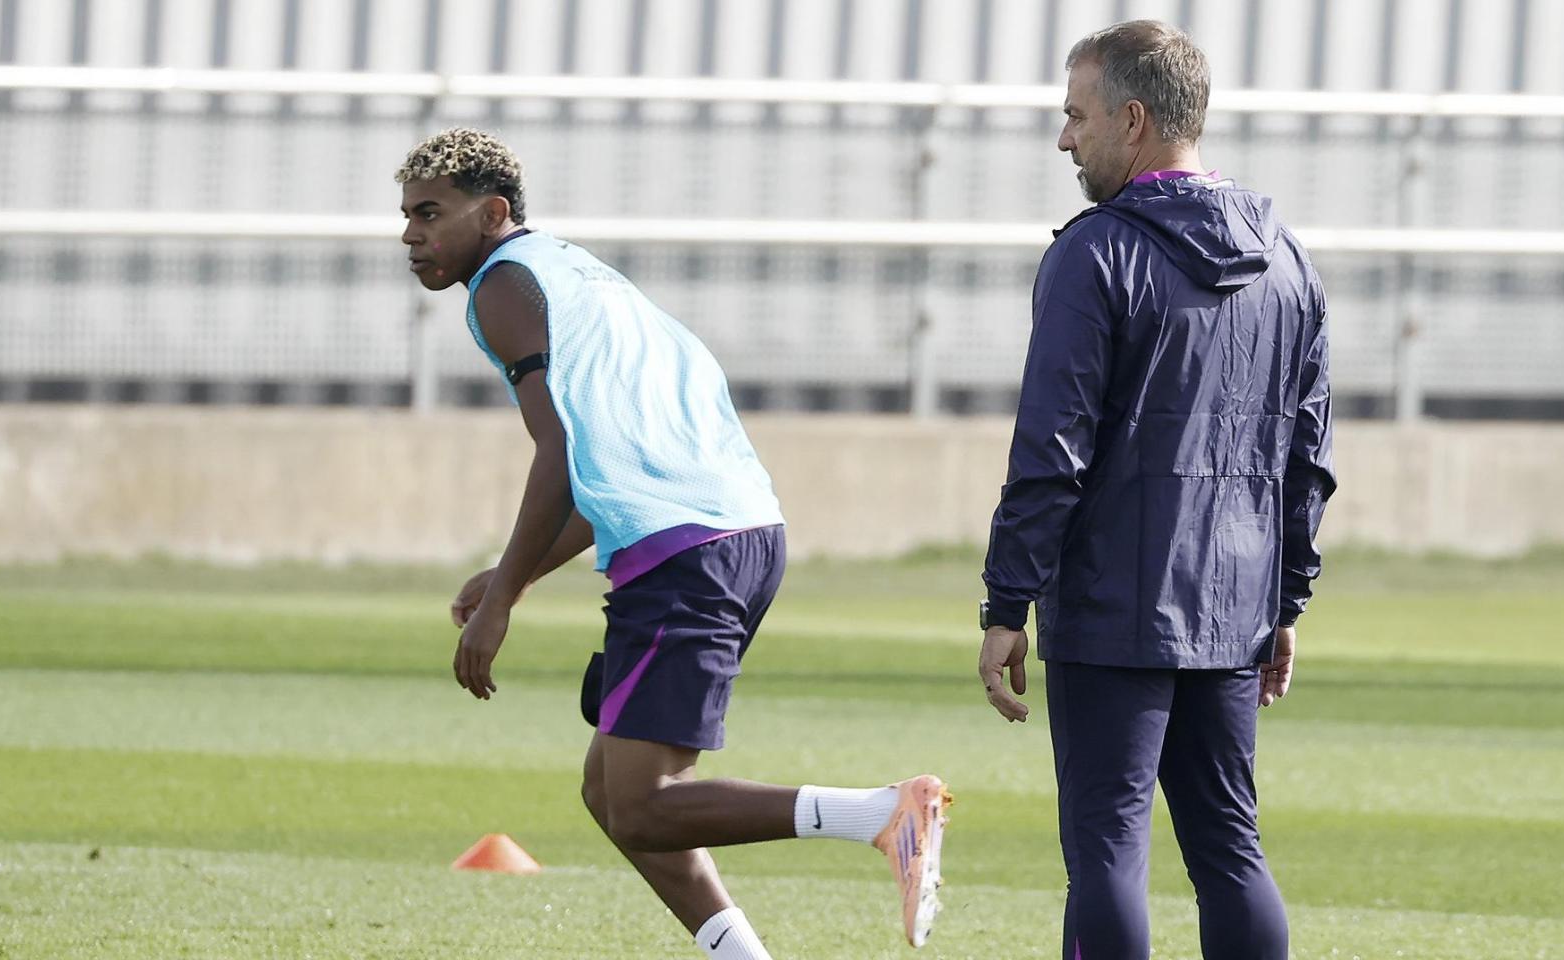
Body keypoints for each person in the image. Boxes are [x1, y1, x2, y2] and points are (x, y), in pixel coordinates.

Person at [395, 127, 949, 956]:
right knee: (609, 792)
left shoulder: (501, 288)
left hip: (684, 551)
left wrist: (502, 598)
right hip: (741, 530)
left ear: (494, 213)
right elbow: (598, 472)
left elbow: (557, 454)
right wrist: (517, 573)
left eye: (429, 214)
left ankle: (882, 814)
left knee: (646, 804)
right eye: (405, 216)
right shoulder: (579, 275)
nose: (411, 235)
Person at [976, 21, 1335, 960]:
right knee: (1229, 849)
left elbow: (1050, 449)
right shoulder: (1289, 261)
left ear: (1132, 121)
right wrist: (1285, 598)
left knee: (1106, 849)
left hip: (1111, 605)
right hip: (1232, 607)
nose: (1064, 138)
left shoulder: (1095, 253)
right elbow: (1308, 456)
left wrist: (1007, 598)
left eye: (1075, 115)